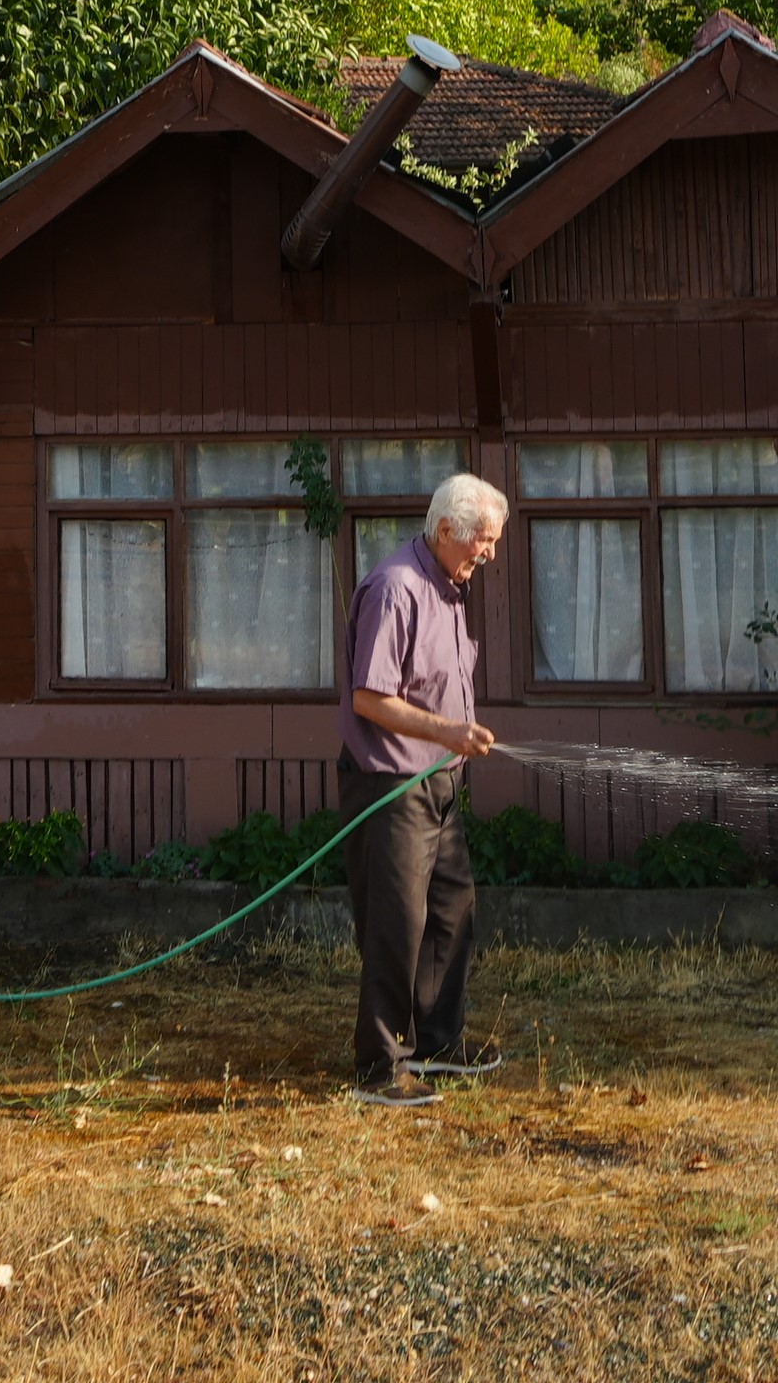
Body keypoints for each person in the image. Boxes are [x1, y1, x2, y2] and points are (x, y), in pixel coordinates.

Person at [339, 471, 507, 1104]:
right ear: (445, 532)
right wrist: (449, 731)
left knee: (451, 909)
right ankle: (379, 1068)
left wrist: (452, 745)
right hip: (389, 784)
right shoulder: (394, 589)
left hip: (438, 779)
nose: (489, 553)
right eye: (483, 541)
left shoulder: (448, 586)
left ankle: (437, 1044)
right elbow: (370, 698)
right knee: (396, 922)